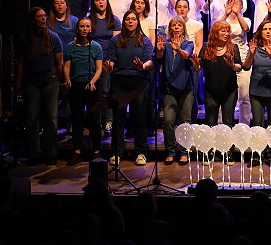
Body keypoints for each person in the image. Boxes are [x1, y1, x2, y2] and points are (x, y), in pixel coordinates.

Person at [104, 10, 154, 165]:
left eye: (133, 19)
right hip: (119, 81)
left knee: (139, 118)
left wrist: (142, 67)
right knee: (118, 118)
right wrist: (109, 68)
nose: (130, 22)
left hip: (139, 81)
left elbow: (149, 61)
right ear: (124, 22)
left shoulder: (145, 41)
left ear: (137, 22)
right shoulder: (115, 40)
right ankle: (117, 153)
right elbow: (111, 61)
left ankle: (141, 153)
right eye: (128, 19)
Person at [16, 7, 64, 165]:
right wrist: (18, 84)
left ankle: (50, 153)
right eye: (40, 16)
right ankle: (34, 153)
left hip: (50, 79)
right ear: (33, 20)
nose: (43, 19)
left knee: (51, 117)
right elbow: (20, 63)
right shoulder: (25, 39)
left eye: (44, 16)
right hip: (31, 80)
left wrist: (62, 80)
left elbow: (59, 62)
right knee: (31, 117)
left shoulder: (53, 37)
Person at [156, 16, 196, 165]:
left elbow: (186, 56)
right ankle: (170, 152)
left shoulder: (188, 43)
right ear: (170, 28)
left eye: (179, 25)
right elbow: (158, 59)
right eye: (174, 25)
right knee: (168, 121)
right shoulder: (165, 44)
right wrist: (159, 51)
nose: (176, 27)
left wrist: (178, 49)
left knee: (185, 121)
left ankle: (184, 152)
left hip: (186, 88)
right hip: (169, 88)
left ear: (183, 28)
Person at [63, 17, 104, 164]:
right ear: (78, 29)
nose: (85, 29)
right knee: (77, 119)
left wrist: (92, 81)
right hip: (76, 86)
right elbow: (67, 65)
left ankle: (97, 151)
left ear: (91, 29)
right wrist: (67, 78)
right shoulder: (70, 47)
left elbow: (99, 68)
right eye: (82, 26)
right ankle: (77, 151)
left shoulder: (96, 47)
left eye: (87, 26)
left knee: (94, 120)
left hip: (92, 87)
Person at [195, 21, 242, 128]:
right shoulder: (206, 48)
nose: (226, 34)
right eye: (223, 31)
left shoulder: (233, 47)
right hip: (211, 91)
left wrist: (232, 65)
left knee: (228, 122)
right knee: (211, 123)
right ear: (215, 32)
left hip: (229, 91)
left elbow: (239, 67)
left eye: (228, 31)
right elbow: (198, 68)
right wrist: (196, 65)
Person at [245, 20, 271, 134]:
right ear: (260, 32)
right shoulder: (254, 48)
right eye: (265, 29)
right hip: (256, 91)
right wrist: (251, 54)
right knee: (257, 124)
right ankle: (259, 146)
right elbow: (246, 67)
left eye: (270, 29)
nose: (268, 32)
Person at [218, 0, 251, 125]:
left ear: (242, 7)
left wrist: (237, 14)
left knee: (244, 96)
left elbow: (245, 29)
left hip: (242, 59)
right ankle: (222, 125)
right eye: (231, 2)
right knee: (223, 94)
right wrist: (226, 14)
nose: (234, 5)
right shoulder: (223, 20)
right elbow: (216, 29)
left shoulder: (245, 19)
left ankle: (244, 125)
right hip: (225, 58)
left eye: (237, 3)